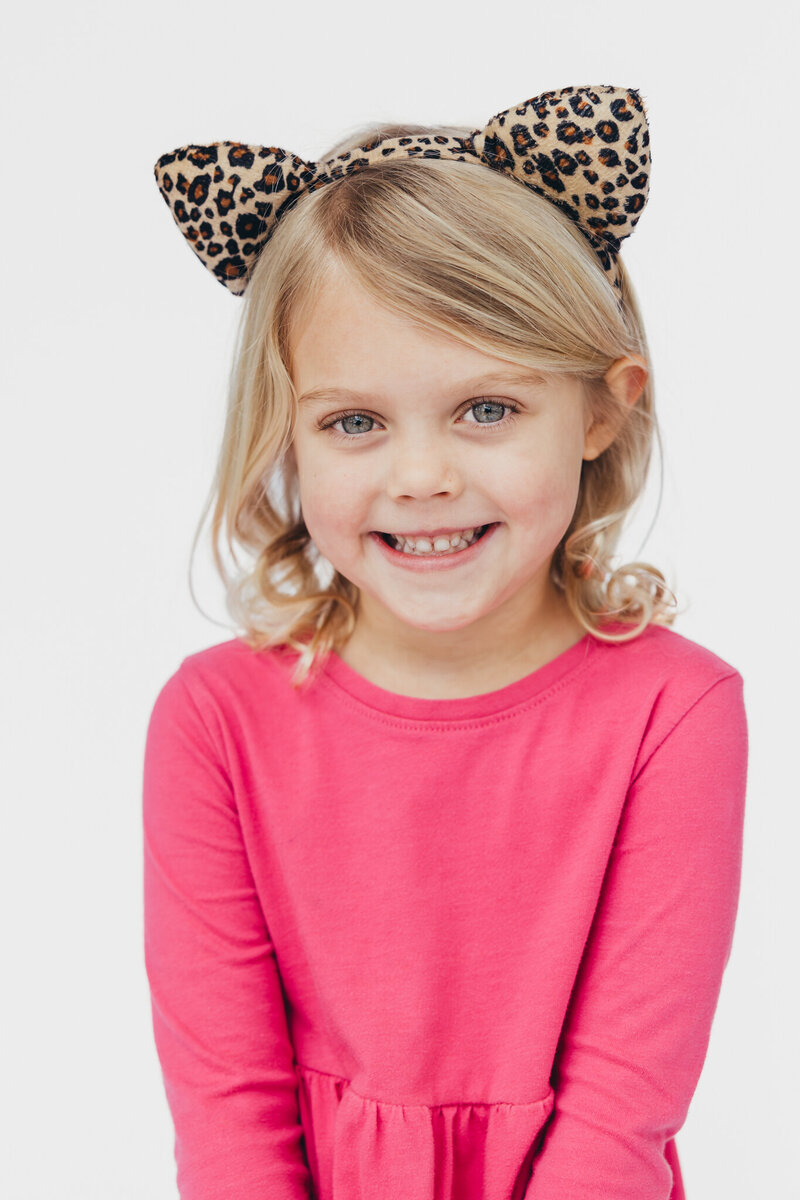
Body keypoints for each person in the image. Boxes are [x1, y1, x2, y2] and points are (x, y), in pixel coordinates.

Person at [143, 84, 748, 1200]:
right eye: (354, 422)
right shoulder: (216, 719)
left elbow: (622, 1108)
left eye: (485, 410)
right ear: (284, 432)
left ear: (601, 410)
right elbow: (227, 1109)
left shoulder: (674, 709)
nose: (419, 477)